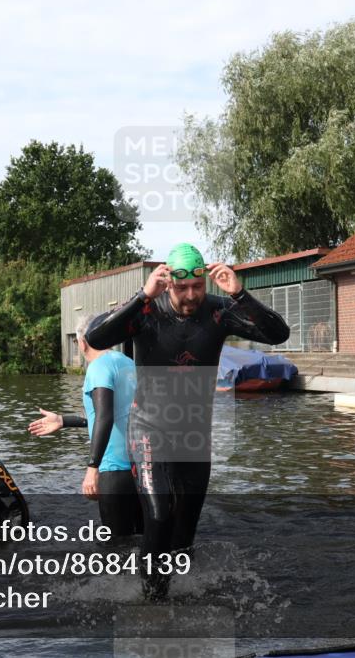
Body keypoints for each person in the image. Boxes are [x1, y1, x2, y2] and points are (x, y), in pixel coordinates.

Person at [85, 243, 290, 599]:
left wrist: (240, 294)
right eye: (183, 288)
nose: (191, 295)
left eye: (198, 287)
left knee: (183, 532)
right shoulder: (147, 310)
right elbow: (96, 337)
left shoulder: (219, 310)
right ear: (169, 283)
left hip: (194, 433)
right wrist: (142, 295)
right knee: (160, 515)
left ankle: (181, 595)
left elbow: (278, 333)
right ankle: (153, 601)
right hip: (149, 428)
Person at [29, 314, 142, 537]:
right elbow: (119, 414)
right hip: (141, 469)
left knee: (115, 549)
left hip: (114, 471)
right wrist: (63, 421)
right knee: (143, 541)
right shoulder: (128, 364)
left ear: (82, 342)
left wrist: (92, 468)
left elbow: (105, 417)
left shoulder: (98, 367)